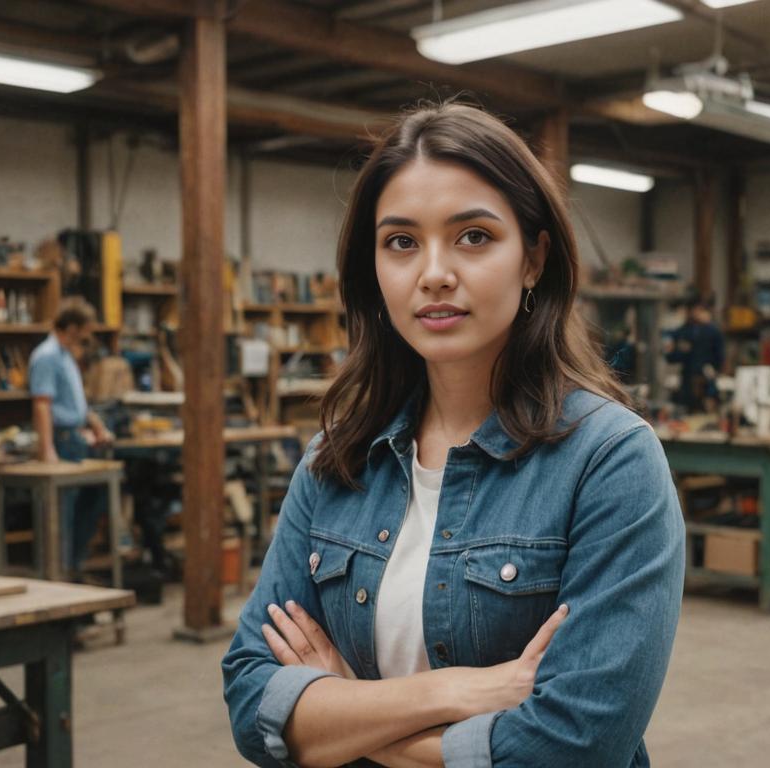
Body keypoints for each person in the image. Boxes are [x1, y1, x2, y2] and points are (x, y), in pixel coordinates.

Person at [222, 102, 685, 768]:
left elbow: (573, 743)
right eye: (401, 242)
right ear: (373, 271)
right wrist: (452, 693)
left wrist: (349, 708)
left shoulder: (609, 461)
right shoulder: (338, 460)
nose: (433, 272)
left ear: (534, 258)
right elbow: (250, 700)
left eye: (473, 236)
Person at [29, 297, 114, 572]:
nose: (88, 336)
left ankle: (74, 569)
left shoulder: (66, 355)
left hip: (76, 439)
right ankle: (61, 577)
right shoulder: (47, 356)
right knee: (60, 515)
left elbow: (77, 404)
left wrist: (96, 426)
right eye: (86, 329)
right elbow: (42, 404)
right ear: (73, 327)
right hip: (62, 441)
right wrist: (47, 449)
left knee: (91, 502)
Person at [664, 293, 724, 412]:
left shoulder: (712, 331)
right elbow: (671, 357)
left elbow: (720, 356)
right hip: (687, 379)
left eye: (700, 310)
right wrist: (675, 350)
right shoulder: (683, 331)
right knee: (688, 410)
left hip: (706, 377)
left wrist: (715, 370)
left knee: (708, 409)